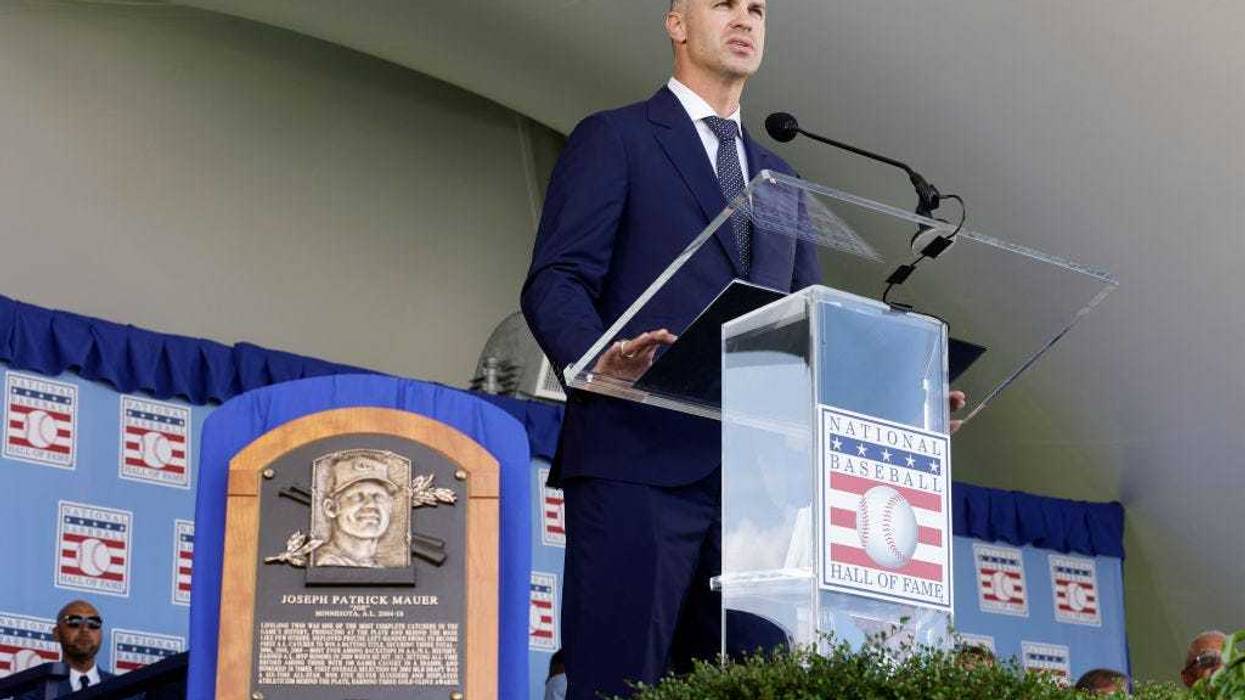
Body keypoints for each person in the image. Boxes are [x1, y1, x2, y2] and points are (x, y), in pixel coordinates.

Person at [522, 0, 822, 696]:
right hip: (637, 457)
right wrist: (598, 360)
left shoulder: (781, 180)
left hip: (755, 497)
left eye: (757, 9)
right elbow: (557, 279)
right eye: (723, 3)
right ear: (676, 23)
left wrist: (894, 396)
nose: (745, 18)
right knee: (620, 683)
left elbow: (807, 321)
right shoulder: (616, 138)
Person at [314, 455, 400, 568]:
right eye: (357, 497)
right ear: (331, 508)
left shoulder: (378, 568)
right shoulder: (324, 563)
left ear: (390, 507)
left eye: (378, 497)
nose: (371, 504)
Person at [52, 599, 113, 693]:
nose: (85, 629)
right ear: (56, 633)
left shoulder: (125, 691)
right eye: (74, 622)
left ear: (101, 633)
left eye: (93, 623)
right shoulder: (38, 691)